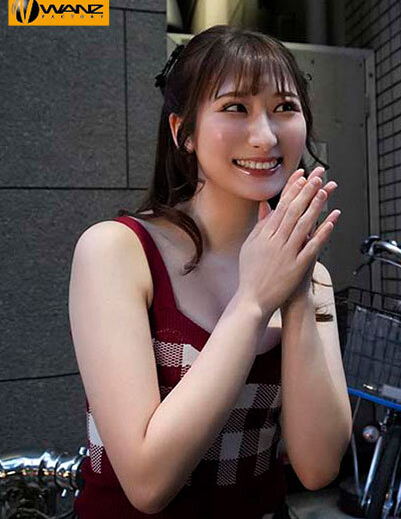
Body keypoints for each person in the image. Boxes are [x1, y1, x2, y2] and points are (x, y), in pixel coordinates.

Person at [68, 25, 351, 519]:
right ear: (184, 132)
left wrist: (296, 294)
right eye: (235, 107)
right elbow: (147, 482)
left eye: (284, 107)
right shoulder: (117, 251)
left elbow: (318, 467)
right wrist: (253, 301)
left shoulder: (310, 275)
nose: (265, 136)